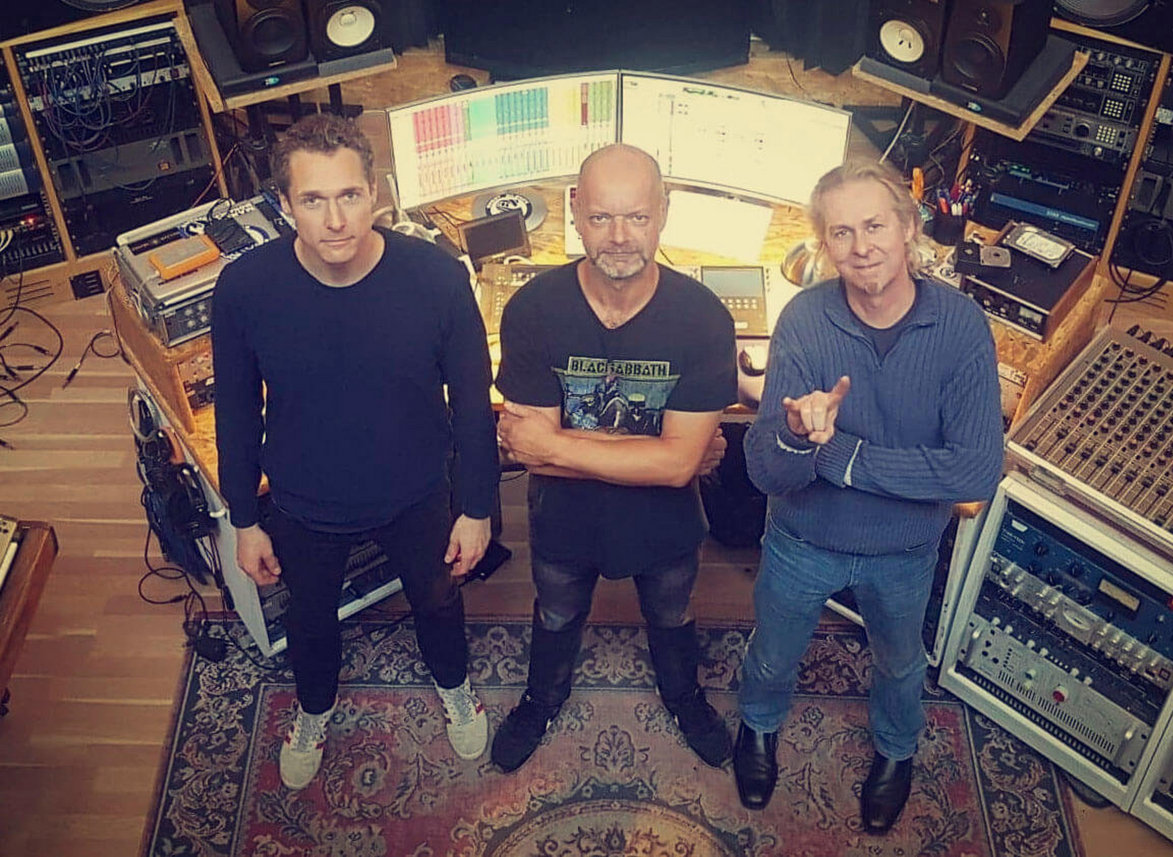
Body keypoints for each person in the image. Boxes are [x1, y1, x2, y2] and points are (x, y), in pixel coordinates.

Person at [212, 114, 498, 790]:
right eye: (313, 200)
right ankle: (314, 709)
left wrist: (477, 507)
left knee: (437, 601)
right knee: (309, 619)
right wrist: (242, 519)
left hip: (417, 491)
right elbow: (235, 410)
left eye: (349, 196)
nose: (336, 219)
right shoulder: (245, 288)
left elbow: (472, 398)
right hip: (303, 500)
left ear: (376, 193)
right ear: (285, 206)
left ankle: (455, 685)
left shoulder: (437, 277)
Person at [733, 160, 1004, 831]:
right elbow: (767, 471)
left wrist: (843, 458)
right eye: (842, 232)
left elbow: (974, 472)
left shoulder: (962, 325)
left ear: (908, 226)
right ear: (824, 245)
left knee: (901, 663)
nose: (861, 246)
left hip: (904, 551)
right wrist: (796, 435)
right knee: (773, 652)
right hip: (803, 539)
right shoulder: (804, 318)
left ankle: (896, 750)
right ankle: (758, 726)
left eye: (875, 225)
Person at [491, 143, 738, 773]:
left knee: (672, 612)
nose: (620, 237)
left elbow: (549, 447)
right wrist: (662, 453)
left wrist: (558, 444)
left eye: (637, 217)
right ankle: (542, 700)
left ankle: (683, 697)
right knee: (556, 612)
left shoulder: (703, 318)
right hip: (562, 518)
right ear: (575, 211)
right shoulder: (533, 309)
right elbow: (530, 453)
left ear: (664, 212)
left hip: (666, 524)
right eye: (602, 217)